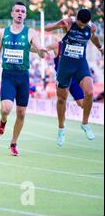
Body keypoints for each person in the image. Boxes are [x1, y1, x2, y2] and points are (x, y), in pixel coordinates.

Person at [0, 1, 48, 156]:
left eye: (23, 11)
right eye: (17, 11)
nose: (20, 13)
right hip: (8, 76)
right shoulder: (2, 32)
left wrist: (42, 51)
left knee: (21, 113)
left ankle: (13, 143)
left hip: (23, 77)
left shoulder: (31, 33)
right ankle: (3, 120)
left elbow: (40, 51)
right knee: (6, 108)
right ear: (12, 14)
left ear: (25, 15)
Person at [44, 9, 104, 147]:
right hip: (65, 65)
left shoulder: (91, 27)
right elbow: (47, 28)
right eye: (80, 24)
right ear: (76, 18)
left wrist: (100, 47)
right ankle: (61, 128)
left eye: (84, 24)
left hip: (80, 63)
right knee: (61, 99)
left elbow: (93, 37)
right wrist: (58, 25)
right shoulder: (69, 23)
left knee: (89, 92)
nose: (82, 27)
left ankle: (85, 123)